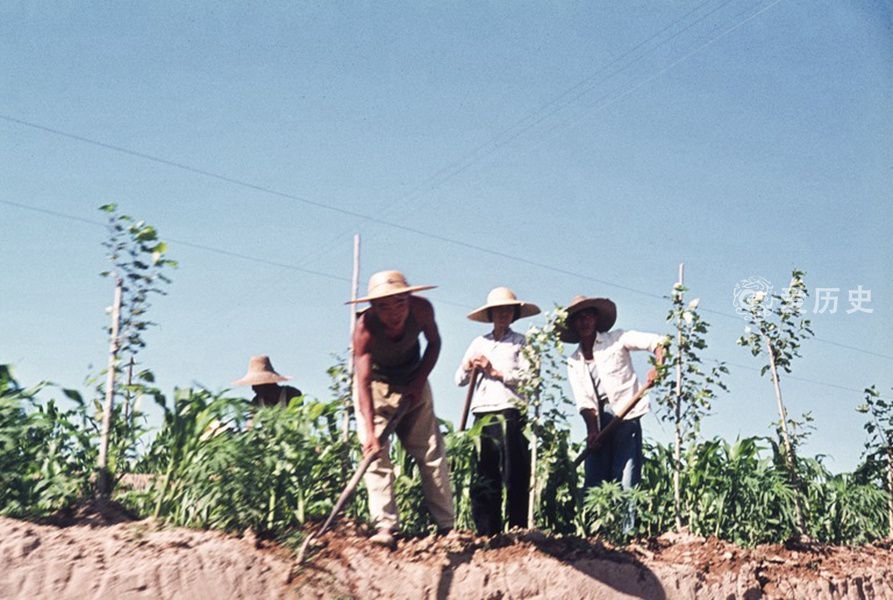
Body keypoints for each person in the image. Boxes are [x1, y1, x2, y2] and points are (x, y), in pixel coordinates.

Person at [349, 270, 455, 548]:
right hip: (376, 388)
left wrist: (419, 381)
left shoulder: (422, 310)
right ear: (373, 307)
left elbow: (434, 343)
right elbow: (362, 381)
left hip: (413, 381)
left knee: (431, 453)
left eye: (399, 303)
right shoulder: (364, 328)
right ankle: (385, 526)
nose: (394, 312)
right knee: (376, 456)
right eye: (384, 306)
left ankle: (447, 527)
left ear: (409, 298)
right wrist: (371, 433)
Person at [560, 296, 666, 499]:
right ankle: (597, 530)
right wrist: (592, 430)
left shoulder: (617, 339)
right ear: (573, 324)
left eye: (588, 316)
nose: (584, 322)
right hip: (599, 420)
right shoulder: (574, 361)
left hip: (627, 412)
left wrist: (658, 367)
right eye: (578, 318)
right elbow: (584, 401)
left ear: (596, 319)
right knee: (595, 481)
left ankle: (625, 530)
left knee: (626, 476)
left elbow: (658, 342)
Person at [455, 287, 539, 535]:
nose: (503, 314)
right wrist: (469, 367)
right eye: (498, 310)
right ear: (490, 314)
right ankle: (486, 531)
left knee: (514, 471)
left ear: (514, 314)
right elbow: (458, 379)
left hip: (511, 412)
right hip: (482, 412)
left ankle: (517, 528)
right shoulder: (478, 343)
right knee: (484, 472)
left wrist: (496, 373)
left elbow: (531, 377)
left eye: (508, 310)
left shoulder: (521, 342)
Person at [232, 355, 302, 407]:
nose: (253, 389)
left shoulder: (291, 394)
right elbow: (250, 423)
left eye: (256, 385)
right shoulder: (257, 402)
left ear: (268, 384)